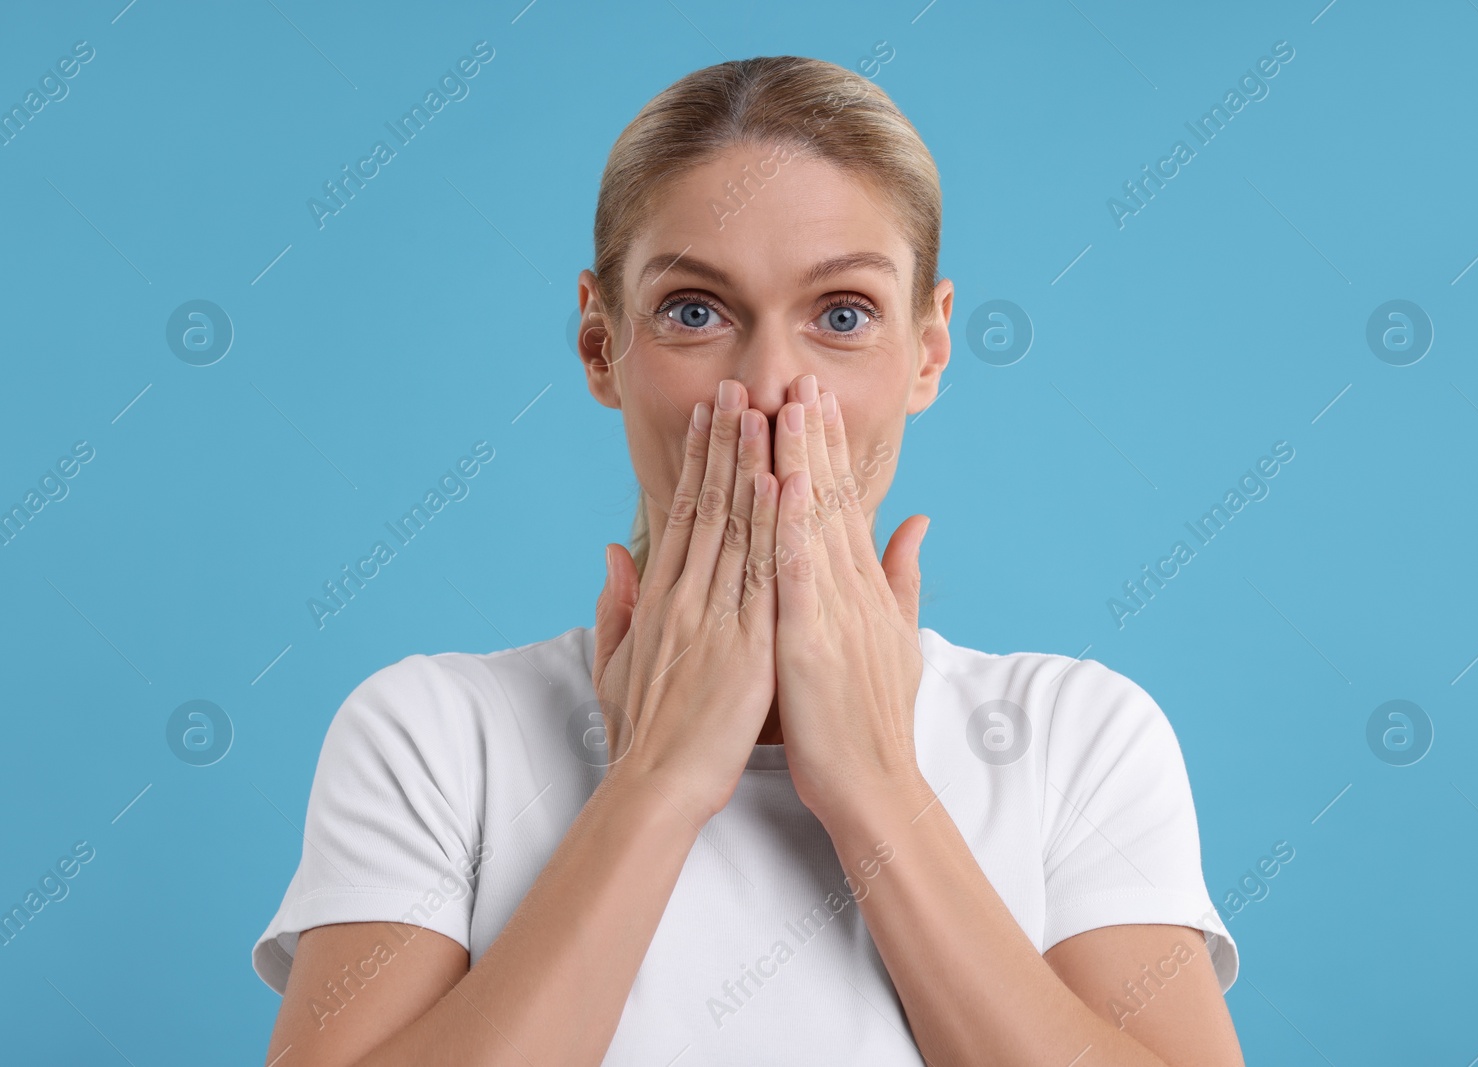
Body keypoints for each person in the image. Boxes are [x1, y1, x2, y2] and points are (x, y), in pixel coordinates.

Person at [253, 55, 1246, 1066]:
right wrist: (657, 778)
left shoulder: (1077, 739)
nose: (772, 384)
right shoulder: (433, 734)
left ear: (931, 347)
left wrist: (874, 783)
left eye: (843, 314)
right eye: (694, 309)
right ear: (601, 344)